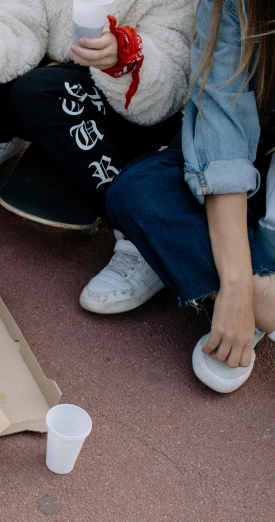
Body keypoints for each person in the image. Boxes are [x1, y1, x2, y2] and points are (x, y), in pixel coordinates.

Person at [0, 0, 195, 310]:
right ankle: (16, 136)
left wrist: (126, 57)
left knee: (38, 91)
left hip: (136, 101)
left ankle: (145, 231)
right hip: (64, 82)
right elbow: (16, 16)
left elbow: (174, 79)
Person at [103, 0, 275, 393]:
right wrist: (237, 287)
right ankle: (263, 293)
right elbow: (223, 124)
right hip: (254, 142)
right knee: (136, 191)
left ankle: (194, 262)